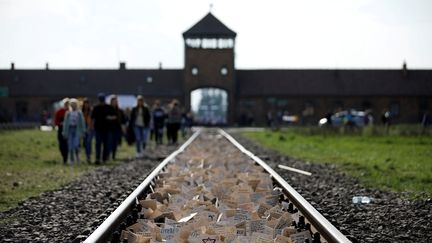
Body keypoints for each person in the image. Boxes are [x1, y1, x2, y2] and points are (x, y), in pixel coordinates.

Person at [91, 93, 116, 164]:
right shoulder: (96, 108)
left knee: (106, 144)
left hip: (106, 129)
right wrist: (91, 127)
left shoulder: (108, 107)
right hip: (98, 129)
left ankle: (104, 158)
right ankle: (97, 158)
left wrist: (109, 118)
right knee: (98, 144)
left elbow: (115, 116)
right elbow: (92, 118)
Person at [62, 98, 86, 164]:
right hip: (70, 130)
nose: (73, 106)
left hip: (77, 130)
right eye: (72, 104)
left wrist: (83, 131)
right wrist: (64, 133)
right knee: (70, 146)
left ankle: (77, 156)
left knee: (76, 144)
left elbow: (82, 122)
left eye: (74, 104)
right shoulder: (68, 113)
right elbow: (65, 123)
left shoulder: (79, 113)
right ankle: (72, 159)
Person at [110, 95, 126, 160]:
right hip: (109, 129)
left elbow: (123, 121)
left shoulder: (119, 111)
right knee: (109, 142)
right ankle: (108, 155)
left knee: (115, 143)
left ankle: (113, 155)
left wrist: (123, 128)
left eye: (115, 101)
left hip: (117, 129)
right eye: (113, 101)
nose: (114, 103)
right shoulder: (108, 109)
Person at [54, 98, 69, 164]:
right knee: (61, 145)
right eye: (66, 104)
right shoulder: (59, 112)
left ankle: (66, 159)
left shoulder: (70, 112)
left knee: (66, 145)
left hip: (68, 130)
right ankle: (63, 156)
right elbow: (55, 122)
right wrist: (60, 123)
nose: (67, 105)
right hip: (61, 129)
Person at [82, 98, 93, 163]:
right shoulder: (81, 111)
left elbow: (92, 120)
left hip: (90, 128)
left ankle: (89, 155)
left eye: (87, 103)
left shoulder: (91, 111)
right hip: (83, 128)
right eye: (85, 103)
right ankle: (87, 155)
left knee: (89, 142)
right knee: (85, 143)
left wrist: (90, 127)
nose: (86, 105)